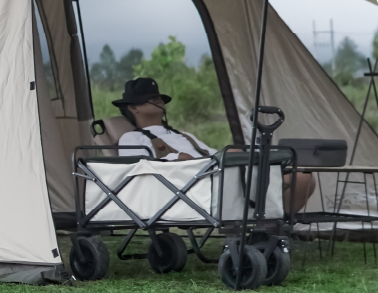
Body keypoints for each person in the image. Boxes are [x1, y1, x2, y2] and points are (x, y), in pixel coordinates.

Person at [112, 77, 315, 213]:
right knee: (235, 153)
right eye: (151, 99)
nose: (159, 101)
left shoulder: (183, 135)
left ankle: (276, 225)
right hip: (189, 187)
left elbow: (215, 155)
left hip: (216, 175)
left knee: (303, 178)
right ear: (133, 108)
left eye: (159, 97)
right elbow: (138, 170)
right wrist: (177, 159)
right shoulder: (131, 139)